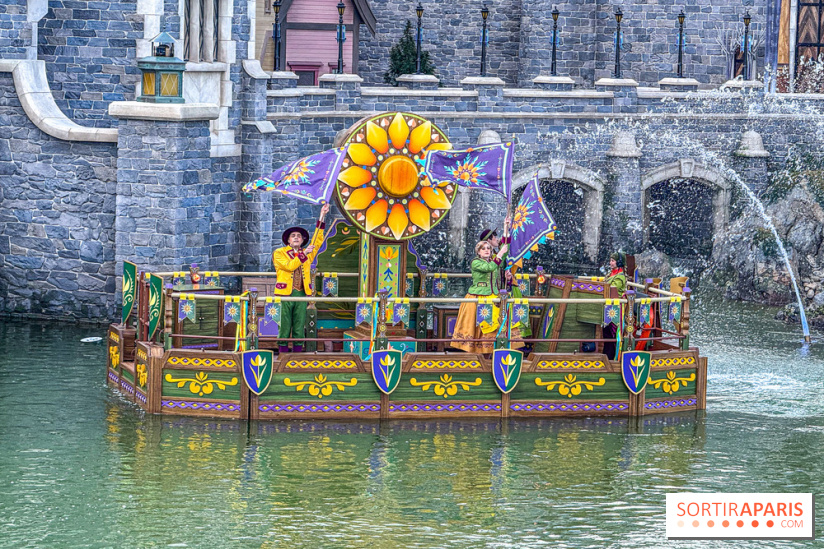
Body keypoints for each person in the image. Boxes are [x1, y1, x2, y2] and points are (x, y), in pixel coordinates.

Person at [273, 203, 330, 353]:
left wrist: (322, 216)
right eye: (293, 236)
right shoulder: (279, 253)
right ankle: (283, 355)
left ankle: (297, 354)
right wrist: (303, 255)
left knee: (299, 325)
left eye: (299, 236)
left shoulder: (307, 252)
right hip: (285, 294)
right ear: (288, 241)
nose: (296, 238)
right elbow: (290, 266)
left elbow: (317, 240)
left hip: (301, 292)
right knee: (284, 324)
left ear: (303, 240)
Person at [451, 238, 508, 355]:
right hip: (478, 297)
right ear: (478, 252)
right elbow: (489, 268)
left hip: (492, 297)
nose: (486, 250)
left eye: (489, 248)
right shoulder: (475, 262)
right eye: (483, 249)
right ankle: (473, 356)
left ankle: (489, 354)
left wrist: (506, 228)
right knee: (476, 326)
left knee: (494, 325)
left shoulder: (493, 261)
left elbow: (504, 256)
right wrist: (501, 253)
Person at [602, 252, 627, 359]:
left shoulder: (620, 277)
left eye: (613, 261)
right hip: (607, 307)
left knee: (612, 334)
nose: (610, 263)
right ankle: (606, 354)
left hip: (615, 309)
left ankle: (612, 357)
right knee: (606, 332)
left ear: (619, 262)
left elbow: (613, 288)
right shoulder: (610, 274)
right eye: (610, 260)